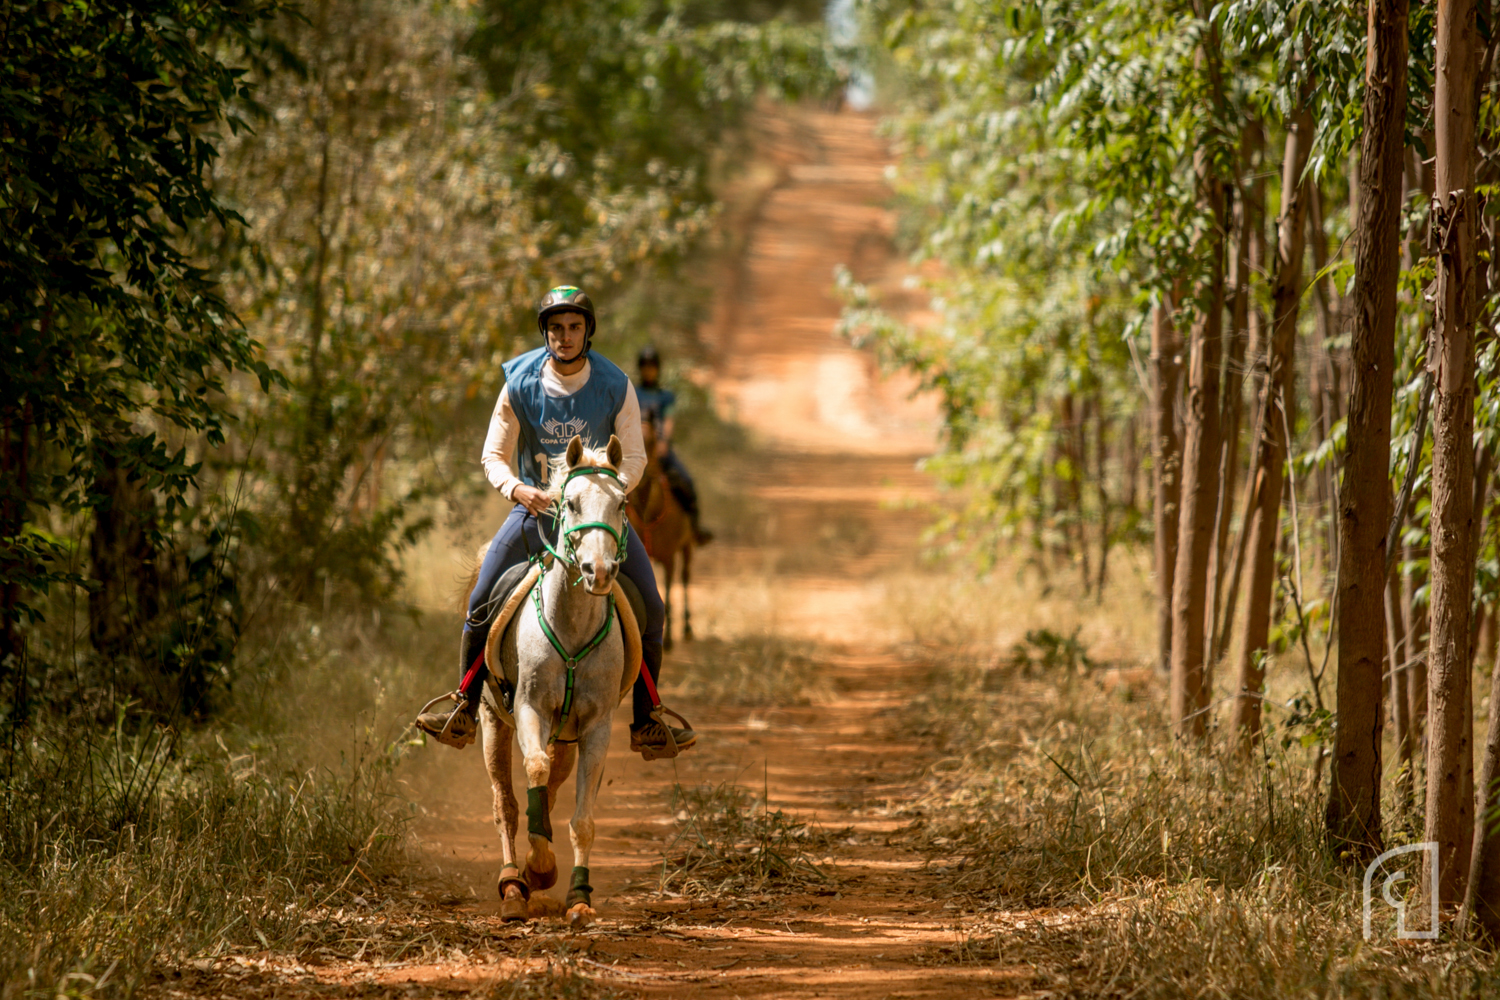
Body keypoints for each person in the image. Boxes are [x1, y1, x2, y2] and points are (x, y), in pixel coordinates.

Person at [415, 286, 696, 758]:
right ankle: (463, 703)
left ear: (587, 332)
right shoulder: (519, 383)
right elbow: (493, 455)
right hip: (536, 512)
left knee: (652, 604)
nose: (565, 336)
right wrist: (518, 489)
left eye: (574, 327)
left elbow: (636, 458)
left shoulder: (615, 383)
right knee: (482, 595)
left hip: (598, 517)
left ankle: (647, 717)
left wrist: (605, 491)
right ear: (545, 332)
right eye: (556, 327)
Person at [634, 345, 712, 545]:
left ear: (657, 369)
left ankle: (695, 528)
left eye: (652, 367)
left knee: (686, 481)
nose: (649, 371)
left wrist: (663, 442)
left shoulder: (665, 396)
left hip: (660, 451)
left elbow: (668, 420)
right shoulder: (632, 393)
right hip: (635, 453)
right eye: (645, 367)